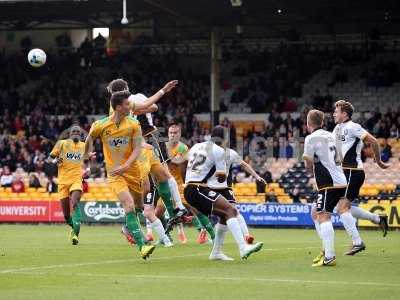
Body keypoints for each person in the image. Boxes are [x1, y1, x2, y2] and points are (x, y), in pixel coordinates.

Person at [84, 91, 155, 260]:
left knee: (138, 207)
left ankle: (128, 227)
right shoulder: (100, 125)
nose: (130, 106)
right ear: (117, 107)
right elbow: (89, 138)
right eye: (126, 104)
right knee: (128, 205)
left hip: (132, 170)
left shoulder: (133, 124)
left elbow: (138, 148)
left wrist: (127, 165)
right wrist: (87, 154)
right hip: (115, 173)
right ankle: (142, 245)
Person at [106, 79, 188, 221]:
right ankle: (175, 210)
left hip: (145, 139)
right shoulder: (123, 104)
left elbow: (152, 107)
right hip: (142, 140)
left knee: (160, 176)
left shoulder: (128, 101)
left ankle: (176, 209)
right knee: (157, 178)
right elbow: (151, 107)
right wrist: (163, 90)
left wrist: (137, 110)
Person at [183, 125, 263, 261]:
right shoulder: (219, 151)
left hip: (190, 187)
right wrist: (222, 173)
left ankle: (216, 252)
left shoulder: (196, 146)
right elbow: (221, 176)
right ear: (224, 138)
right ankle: (243, 247)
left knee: (225, 216)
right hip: (198, 189)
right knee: (231, 210)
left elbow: (187, 162)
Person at [333, 100, 389, 248]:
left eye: (336, 111)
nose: (334, 113)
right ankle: (377, 219)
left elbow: (374, 141)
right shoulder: (336, 129)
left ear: (344, 114)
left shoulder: (353, 127)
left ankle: (357, 242)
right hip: (342, 172)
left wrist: (379, 161)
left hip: (353, 171)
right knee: (343, 207)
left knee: (341, 208)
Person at [206, 127, 267, 247]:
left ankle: (247, 236)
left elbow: (244, 165)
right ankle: (213, 238)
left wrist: (256, 176)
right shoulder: (208, 152)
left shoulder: (231, 153)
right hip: (209, 188)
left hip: (224, 188)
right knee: (219, 215)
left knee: (233, 211)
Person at [303, 109, 348, 267]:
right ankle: (325, 250)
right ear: (322, 123)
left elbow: (307, 163)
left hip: (328, 183)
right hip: (340, 179)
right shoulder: (332, 136)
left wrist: (312, 169)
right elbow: (340, 158)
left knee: (323, 216)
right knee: (315, 212)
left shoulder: (311, 138)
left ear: (308, 124)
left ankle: (329, 256)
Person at [49, 125, 89, 245]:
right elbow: (50, 158)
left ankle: (75, 234)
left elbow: (87, 162)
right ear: (70, 134)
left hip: (76, 179)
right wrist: (56, 160)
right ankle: (73, 227)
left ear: (81, 135)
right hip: (62, 182)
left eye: (78, 131)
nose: (76, 133)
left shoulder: (84, 146)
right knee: (66, 215)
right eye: (73, 131)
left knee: (75, 202)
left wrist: (89, 170)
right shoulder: (61, 143)